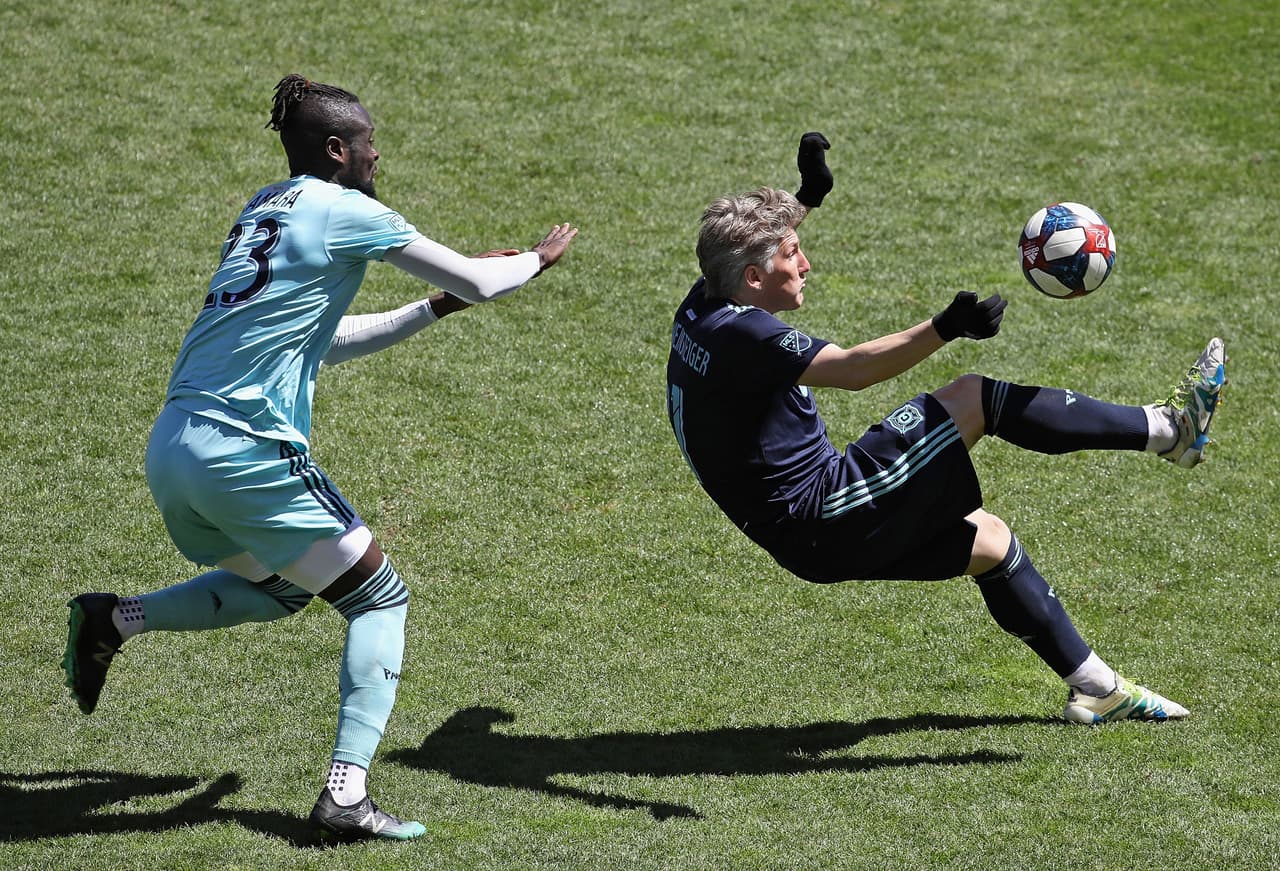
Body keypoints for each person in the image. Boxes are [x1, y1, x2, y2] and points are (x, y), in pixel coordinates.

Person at [61, 74, 578, 841]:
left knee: (279, 590)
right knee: (380, 597)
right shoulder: (352, 212)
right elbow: (478, 276)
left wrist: (432, 309)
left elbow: (318, 341)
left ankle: (115, 618)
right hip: (246, 448)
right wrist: (534, 259)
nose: (378, 152)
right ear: (338, 150)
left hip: (174, 450)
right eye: (368, 141)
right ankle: (346, 793)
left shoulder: (264, 208)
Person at [666, 132, 1225, 726]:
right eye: (791, 254)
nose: (805, 263)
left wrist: (806, 197)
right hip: (822, 508)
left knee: (989, 544)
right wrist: (943, 327)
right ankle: (1171, 430)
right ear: (754, 278)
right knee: (974, 397)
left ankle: (1098, 691)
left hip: (799, 536)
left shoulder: (703, 305)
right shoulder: (747, 338)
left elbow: (745, 252)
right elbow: (855, 370)